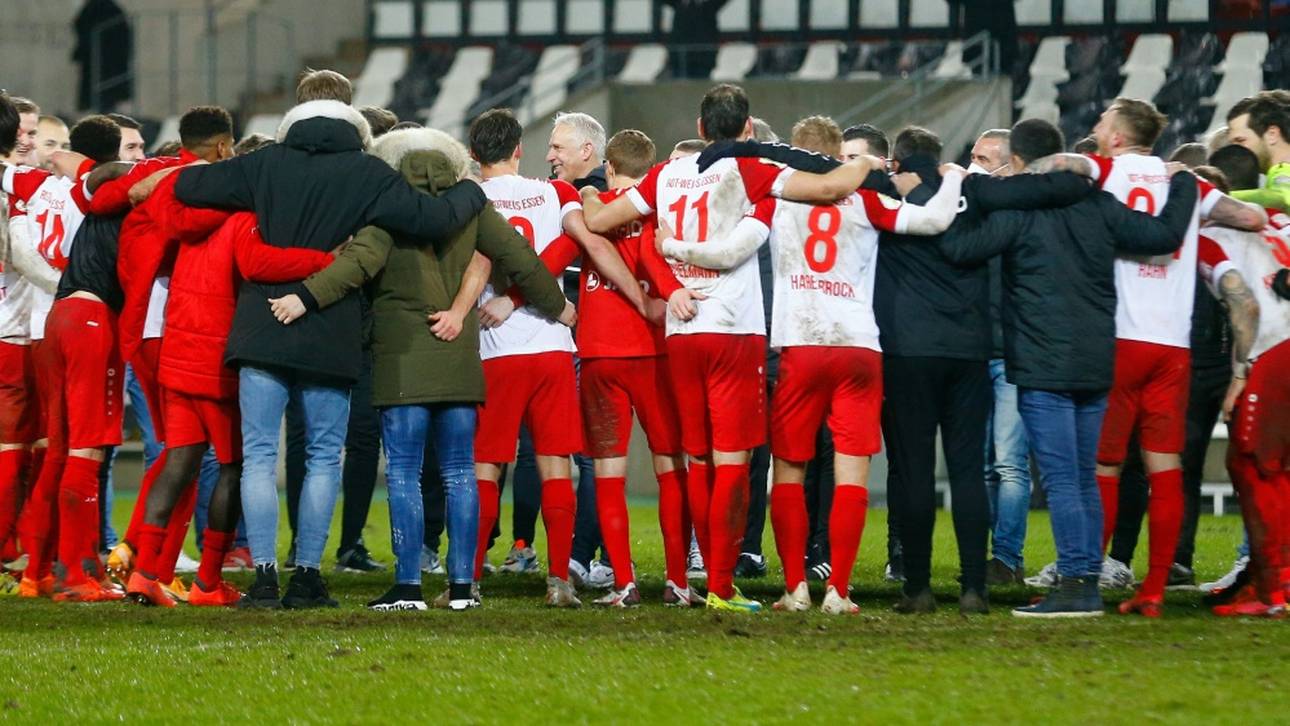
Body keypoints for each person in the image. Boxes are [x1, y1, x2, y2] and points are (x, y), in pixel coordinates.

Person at [171, 69, 491, 609]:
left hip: (262, 324)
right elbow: (434, 220)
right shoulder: (367, 173)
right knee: (323, 457)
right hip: (331, 326)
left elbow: (190, 185)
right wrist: (470, 189)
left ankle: (265, 577)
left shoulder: (265, 163)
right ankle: (307, 577)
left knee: (258, 457)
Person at [585, 83, 889, 611]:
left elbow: (599, 221)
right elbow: (825, 188)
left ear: (700, 129)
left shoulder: (666, 173)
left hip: (682, 332)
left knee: (697, 458)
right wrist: (866, 167)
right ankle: (722, 584)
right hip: (733, 329)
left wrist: (590, 192)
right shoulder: (750, 168)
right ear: (748, 130)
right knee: (733, 461)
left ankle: (708, 581)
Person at [661, 115, 965, 614]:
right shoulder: (866, 200)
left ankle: (796, 588)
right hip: (857, 346)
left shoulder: (776, 199)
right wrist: (953, 175)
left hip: (799, 346)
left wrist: (672, 248)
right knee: (850, 473)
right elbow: (934, 220)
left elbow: (731, 249)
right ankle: (839, 592)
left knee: (788, 473)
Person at [271, 126, 569, 611]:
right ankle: (461, 588)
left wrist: (303, 298)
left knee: (405, 472)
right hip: (458, 358)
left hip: (401, 359)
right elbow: (521, 260)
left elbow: (355, 266)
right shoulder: (471, 208)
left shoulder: (388, 210)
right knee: (460, 473)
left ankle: (408, 585)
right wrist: (560, 307)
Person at [939, 118, 1200, 617]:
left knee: (1063, 479)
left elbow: (958, 248)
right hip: (1097, 359)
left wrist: (968, 197)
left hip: (1043, 365)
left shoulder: (1019, 215)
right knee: (1081, 476)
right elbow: (1165, 234)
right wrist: (1185, 178)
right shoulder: (1098, 205)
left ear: (1017, 162)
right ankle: (1084, 580)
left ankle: (1079, 584)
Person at [1027, 97, 1266, 615]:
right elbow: (1249, 217)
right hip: (1172, 348)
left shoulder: (1102, 169)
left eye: (1099, 123)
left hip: (1118, 340)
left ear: (1115, 135)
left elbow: (1058, 166)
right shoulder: (1187, 184)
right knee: (1165, 467)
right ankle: (1154, 588)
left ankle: (1083, 570)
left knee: (1102, 467)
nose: (1093, 130)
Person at [466, 108, 645, 607]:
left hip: (493, 348)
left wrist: (505, 298)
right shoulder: (556, 194)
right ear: (519, 150)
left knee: (487, 469)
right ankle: (559, 582)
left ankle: (470, 585)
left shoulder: (469, 198)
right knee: (556, 467)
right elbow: (583, 240)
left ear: (474, 154)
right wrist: (627, 296)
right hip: (551, 349)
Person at [547, 129, 697, 607]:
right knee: (671, 468)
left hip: (600, 352)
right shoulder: (660, 209)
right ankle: (677, 580)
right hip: (655, 353)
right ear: (651, 170)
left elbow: (559, 256)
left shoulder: (595, 213)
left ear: (608, 168)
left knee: (608, 472)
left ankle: (625, 583)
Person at [95, 107, 237, 599]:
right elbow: (185, 227)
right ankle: (140, 553)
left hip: (143, 326)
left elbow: (100, 193)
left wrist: (157, 172)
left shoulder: (157, 172)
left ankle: (149, 568)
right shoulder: (210, 182)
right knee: (194, 453)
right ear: (222, 146)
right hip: (175, 327)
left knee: (183, 451)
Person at [4, 115, 112, 599]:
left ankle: (37, 571)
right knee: (84, 449)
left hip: (45, 327)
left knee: (54, 452)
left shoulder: (32, 187)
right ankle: (79, 570)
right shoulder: (88, 194)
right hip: (84, 319)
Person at [1196, 174, 1290, 617]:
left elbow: (1246, 306)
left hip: (1272, 351)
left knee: (1255, 466)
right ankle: (1262, 576)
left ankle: (1271, 592)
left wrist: (1239, 375)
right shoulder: (1271, 220)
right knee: (1274, 467)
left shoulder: (1206, 240)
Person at [968, 129, 1034, 586]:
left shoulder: (1023, 219)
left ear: (1011, 166)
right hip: (976, 352)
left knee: (1009, 462)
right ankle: (992, 558)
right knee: (985, 465)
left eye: (985, 158)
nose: (975, 166)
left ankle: (1007, 557)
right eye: (972, 156)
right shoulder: (970, 214)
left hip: (1011, 355)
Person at [1226, 93, 1290, 211]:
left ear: (1272, 134)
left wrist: (1213, 197)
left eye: (1240, 140)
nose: (1234, 151)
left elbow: (1281, 198)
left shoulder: (1284, 171)